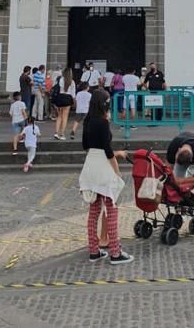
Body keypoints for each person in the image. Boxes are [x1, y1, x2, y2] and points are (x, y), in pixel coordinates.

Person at [79, 88, 133, 265]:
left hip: (90, 165)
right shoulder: (103, 123)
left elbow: (85, 145)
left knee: (93, 211)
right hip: (103, 165)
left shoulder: (87, 121)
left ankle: (94, 251)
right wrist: (116, 172)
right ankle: (115, 253)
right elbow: (108, 152)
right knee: (112, 209)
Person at [54, 67, 76, 141]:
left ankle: (56, 133)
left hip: (61, 97)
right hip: (68, 98)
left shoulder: (61, 79)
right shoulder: (72, 82)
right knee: (65, 117)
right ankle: (62, 134)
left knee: (59, 116)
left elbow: (59, 88)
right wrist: (74, 102)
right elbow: (73, 94)